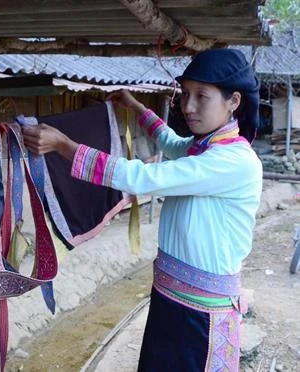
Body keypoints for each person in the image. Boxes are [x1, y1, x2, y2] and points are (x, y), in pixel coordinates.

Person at [22, 48, 263, 371]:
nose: (188, 107)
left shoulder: (233, 162)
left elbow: (141, 177)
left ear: (233, 101)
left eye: (201, 97)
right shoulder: (203, 148)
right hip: (170, 300)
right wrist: (135, 106)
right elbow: (169, 141)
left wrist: (65, 146)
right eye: (186, 94)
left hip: (201, 315)